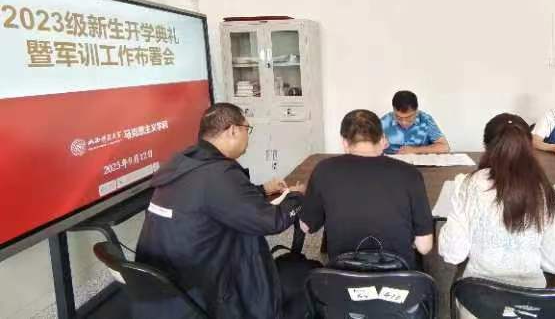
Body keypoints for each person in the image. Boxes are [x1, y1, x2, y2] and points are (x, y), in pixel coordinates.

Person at [134, 103, 306, 319]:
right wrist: (296, 196)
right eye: (247, 129)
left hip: (160, 282)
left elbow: (217, 200)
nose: (248, 136)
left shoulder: (185, 162)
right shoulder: (219, 173)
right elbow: (272, 222)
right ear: (233, 130)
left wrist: (262, 190)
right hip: (199, 287)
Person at [439, 113, 555, 294]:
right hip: (531, 300)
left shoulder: (466, 185)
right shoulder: (552, 193)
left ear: (485, 146)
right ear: (529, 147)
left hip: (477, 298)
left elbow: (453, 253)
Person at [300, 109, 434, 269]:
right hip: (398, 277)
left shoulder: (324, 170)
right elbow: (424, 247)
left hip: (342, 276)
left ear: (344, 142)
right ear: (383, 139)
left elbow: (306, 227)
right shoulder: (410, 174)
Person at [381, 90, 450, 154]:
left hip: (419, 162)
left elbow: (444, 147)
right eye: (398, 117)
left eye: (408, 117)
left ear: (417, 111)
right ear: (393, 109)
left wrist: (415, 150)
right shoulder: (384, 122)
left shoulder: (425, 120)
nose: (404, 122)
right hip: (391, 161)